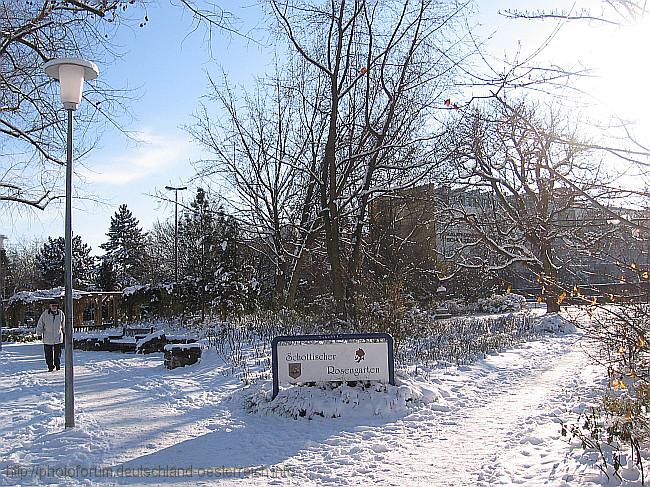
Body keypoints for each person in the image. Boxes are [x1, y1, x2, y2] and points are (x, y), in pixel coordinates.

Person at [36, 299, 65, 372]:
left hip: (58, 337)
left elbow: (64, 324)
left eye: (56, 306)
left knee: (57, 354)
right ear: (50, 306)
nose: (54, 307)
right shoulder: (45, 314)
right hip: (47, 337)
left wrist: (66, 333)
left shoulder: (61, 314)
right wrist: (39, 334)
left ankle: (57, 365)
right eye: (53, 306)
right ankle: (50, 366)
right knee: (48, 354)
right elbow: (40, 325)